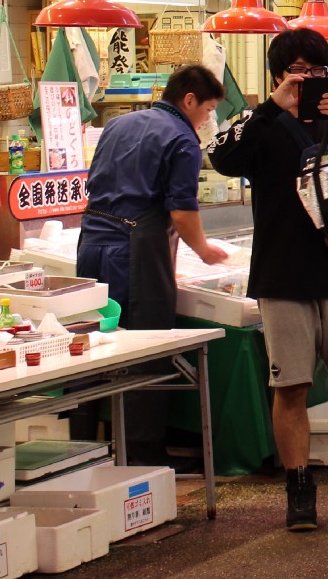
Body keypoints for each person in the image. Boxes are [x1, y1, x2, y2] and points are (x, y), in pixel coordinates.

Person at [210, 29, 328, 531]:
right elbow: (221, 158)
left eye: (318, 71)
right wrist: (271, 108)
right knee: (290, 387)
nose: (309, 80)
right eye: (299, 70)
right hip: (283, 275)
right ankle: (299, 490)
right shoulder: (259, 124)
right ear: (278, 74)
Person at [78, 64, 228, 464]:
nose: (208, 119)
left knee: (93, 344)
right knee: (146, 345)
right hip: (135, 250)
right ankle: (143, 453)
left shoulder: (118, 124)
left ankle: (82, 449)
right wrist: (203, 249)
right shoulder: (182, 139)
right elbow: (181, 212)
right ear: (189, 100)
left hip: (90, 242)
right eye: (208, 109)